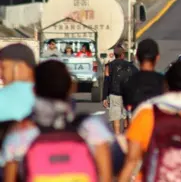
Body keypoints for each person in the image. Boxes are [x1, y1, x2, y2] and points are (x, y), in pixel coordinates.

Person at [2, 60, 113, 182]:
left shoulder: (21, 133)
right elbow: (105, 176)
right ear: (72, 87)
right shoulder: (91, 127)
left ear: (34, 90)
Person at [0, 44, 37, 179]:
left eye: (3, 68)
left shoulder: (2, 97)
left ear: (20, 67)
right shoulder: (54, 95)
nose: (1, 74)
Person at [122, 38, 165, 113]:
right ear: (157, 58)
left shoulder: (130, 82)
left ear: (136, 57)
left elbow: (127, 107)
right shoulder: (164, 83)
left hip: (138, 122)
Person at [103, 45, 138, 134]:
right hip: (128, 95)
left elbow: (106, 82)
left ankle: (117, 137)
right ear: (122, 54)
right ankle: (127, 134)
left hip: (114, 94)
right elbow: (137, 78)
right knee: (127, 116)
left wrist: (104, 97)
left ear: (114, 54)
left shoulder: (109, 66)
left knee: (116, 117)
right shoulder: (130, 66)